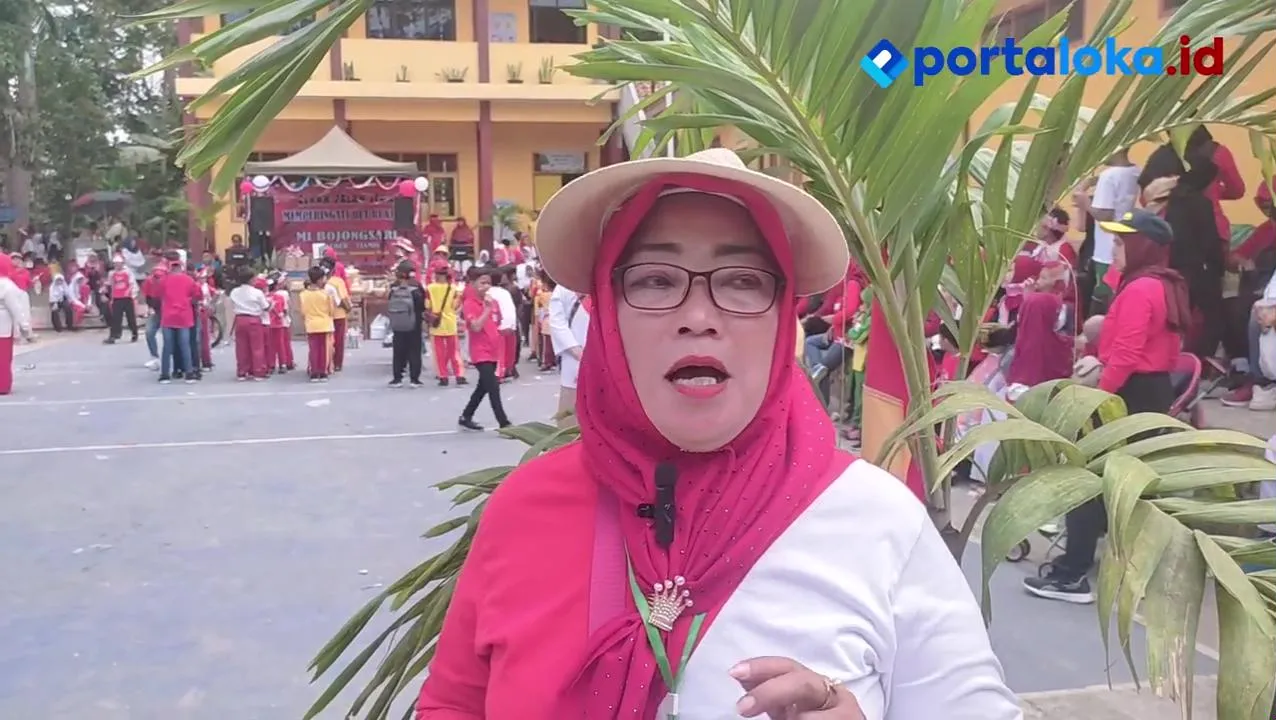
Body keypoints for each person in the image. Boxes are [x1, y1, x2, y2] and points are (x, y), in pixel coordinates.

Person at [416, 148, 1020, 718]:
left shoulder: (877, 519)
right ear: (606, 310)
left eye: (742, 281)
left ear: (782, 317)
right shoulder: (524, 507)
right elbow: (453, 704)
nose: (699, 317)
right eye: (655, 280)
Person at [1025, 210, 1189, 604]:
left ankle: (1072, 574)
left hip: (1127, 393)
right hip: (1149, 391)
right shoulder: (1161, 283)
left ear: (1141, 246)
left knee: (1087, 477)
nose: (1113, 249)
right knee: (1115, 480)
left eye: (1120, 242)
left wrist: (1096, 399)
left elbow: (1127, 355)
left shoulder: (1140, 289)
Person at [1077, 148, 1141, 309]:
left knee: (1103, 298)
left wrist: (1086, 204)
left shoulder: (1108, 176)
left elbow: (1105, 215)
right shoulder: (1135, 171)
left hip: (1106, 250)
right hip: (1125, 243)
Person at [457, 269, 511, 431]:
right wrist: (486, 309)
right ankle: (504, 422)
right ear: (473, 284)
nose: (486, 286)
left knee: (483, 387)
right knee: (493, 386)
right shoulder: (470, 304)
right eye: (482, 282)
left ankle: (466, 415)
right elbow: (475, 327)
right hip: (480, 352)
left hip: (493, 349)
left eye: (488, 283)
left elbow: (496, 322)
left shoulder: (493, 302)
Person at [546, 277, 589, 427]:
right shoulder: (564, 288)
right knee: (571, 415)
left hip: (607, 355)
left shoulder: (610, 282)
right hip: (574, 358)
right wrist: (576, 351)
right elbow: (557, 323)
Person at [157, 254, 201, 385]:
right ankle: (189, 373)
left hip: (168, 316)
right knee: (185, 345)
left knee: (167, 346)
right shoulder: (188, 280)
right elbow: (197, 295)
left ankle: (165, 374)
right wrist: (189, 301)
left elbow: (158, 294)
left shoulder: (164, 280)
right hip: (184, 316)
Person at [387, 260, 426, 387]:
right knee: (414, 351)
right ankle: (414, 379)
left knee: (398, 351)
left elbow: (389, 303)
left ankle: (397, 378)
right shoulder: (416, 287)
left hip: (398, 324)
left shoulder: (393, 287)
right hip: (414, 323)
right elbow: (422, 304)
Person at [0, 254, 36, 395]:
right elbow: (16, 309)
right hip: (3, 326)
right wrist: (25, 327)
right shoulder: (7, 286)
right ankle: (2, 384)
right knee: (3, 358)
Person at [229, 267, 271, 380]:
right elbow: (266, 307)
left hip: (240, 319)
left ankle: (242, 371)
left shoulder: (234, 292)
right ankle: (258, 371)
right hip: (254, 319)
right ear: (251, 279)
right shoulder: (257, 292)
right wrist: (271, 304)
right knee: (257, 347)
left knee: (241, 347)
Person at [426, 265, 463, 386]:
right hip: (450, 323)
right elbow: (455, 305)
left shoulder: (430, 288)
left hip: (436, 323)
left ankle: (443, 376)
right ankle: (459, 375)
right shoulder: (453, 288)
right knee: (454, 352)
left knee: (439, 353)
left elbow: (427, 305)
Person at [299, 266, 336, 382]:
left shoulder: (303, 294)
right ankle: (323, 372)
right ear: (319, 279)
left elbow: (303, 311)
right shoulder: (326, 294)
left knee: (313, 349)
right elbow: (331, 311)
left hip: (311, 325)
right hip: (325, 324)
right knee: (324, 350)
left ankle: (314, 372)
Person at [320, 256, 351, 372]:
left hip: (324, 315)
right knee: (338, 341)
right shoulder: (337, 281)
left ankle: (325, 363)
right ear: (333, 269)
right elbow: (343, 299)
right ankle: (337, 363)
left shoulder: (316, 282)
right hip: (338, 315)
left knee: (324, 341)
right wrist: (348, 308)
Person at [488, 269, 519, 379]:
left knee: (498, 352)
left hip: (496, 326)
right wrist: (512, 325)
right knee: (508, 351)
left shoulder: (488, 293)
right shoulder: (504, 292)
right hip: (509, 325)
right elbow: (511, 310)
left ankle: (499, 373)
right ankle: (507, 370)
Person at [104, 254, 139, 344]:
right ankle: (113, 335)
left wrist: (130, 293)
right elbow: (110, 284)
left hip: (127, 298)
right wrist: (105, 290)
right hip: (117, 298)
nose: (117, 265)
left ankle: (134, 333)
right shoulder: (112, 273)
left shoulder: (128, 272)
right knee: (116, 318)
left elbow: (132, 283)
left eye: (119, 263)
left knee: (130, 317)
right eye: (115, 264)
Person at [266, 273, 294, 374]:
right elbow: (285, 309)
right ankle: (284, 363)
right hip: (280, 323)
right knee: (282, 344)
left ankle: (271, 365)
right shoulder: (282, 295)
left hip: (268, 324)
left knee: (270, 345)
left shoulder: (265, 297)